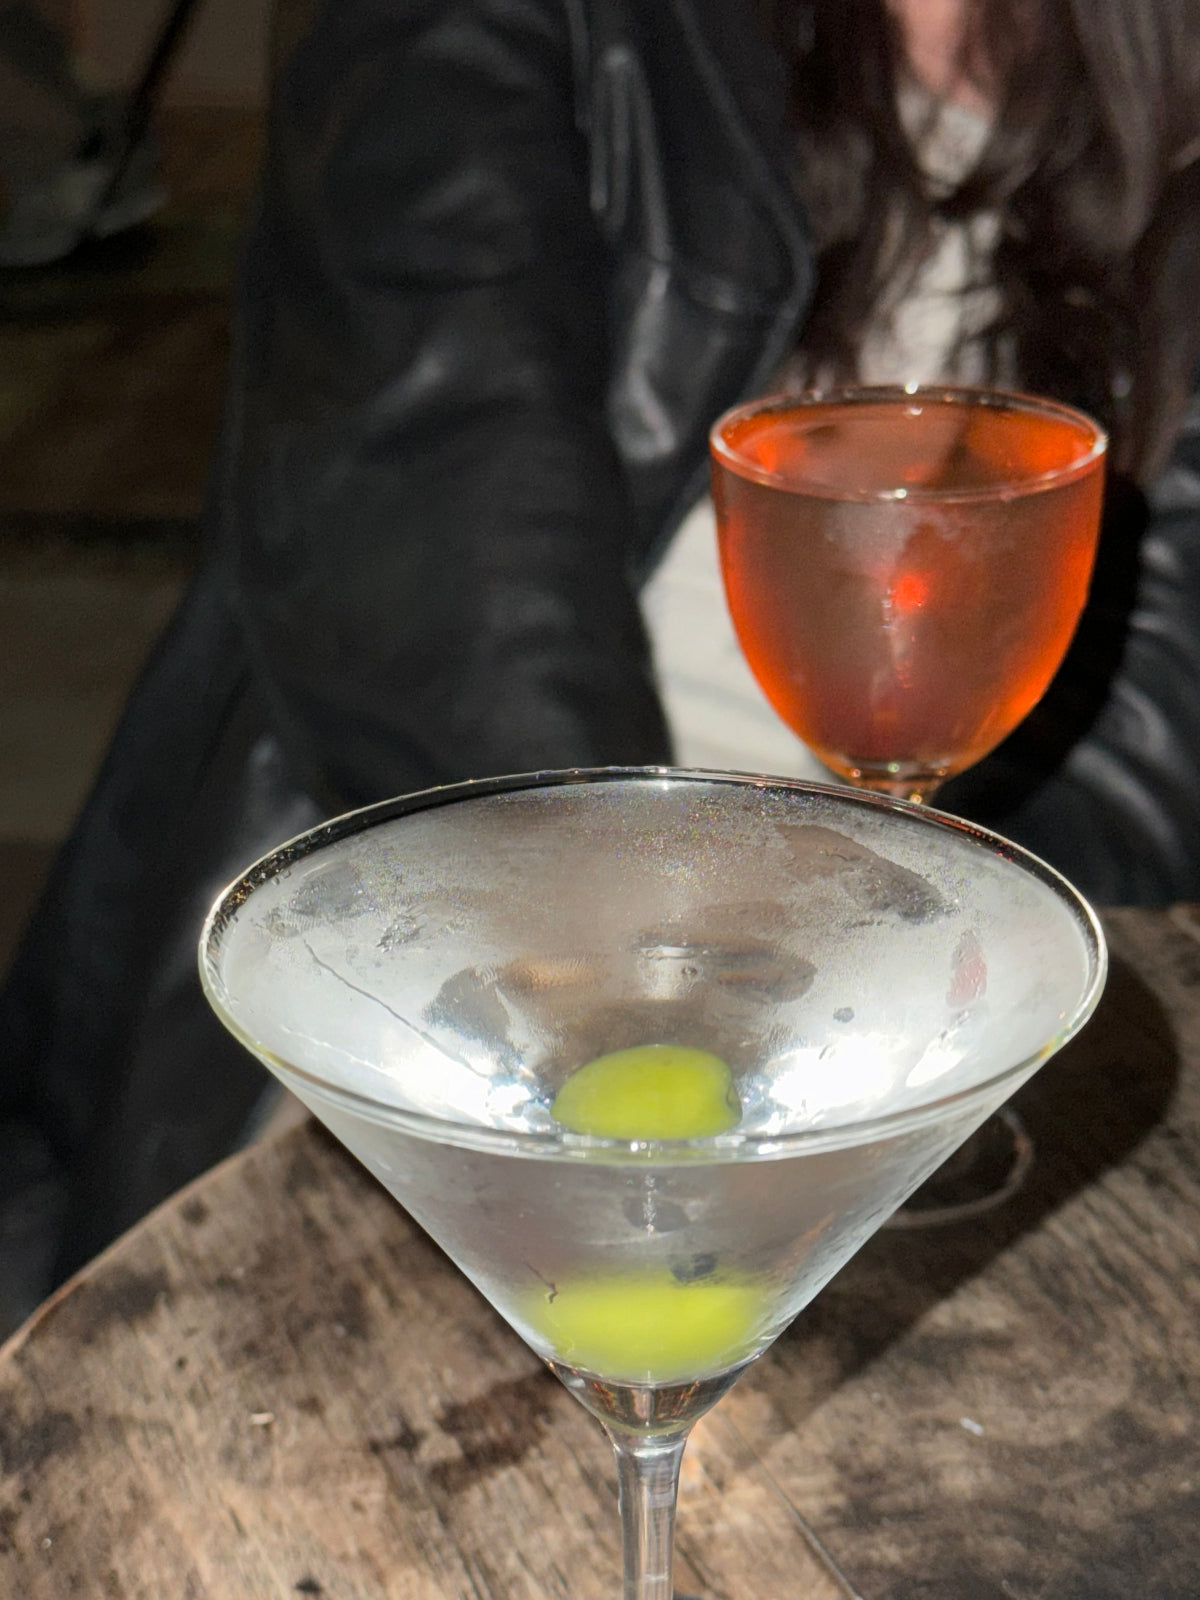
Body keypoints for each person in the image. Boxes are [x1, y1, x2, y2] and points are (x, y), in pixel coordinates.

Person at [1, 0, 1197, 1311]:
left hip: (896, 996)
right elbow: (449, 579)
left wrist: (906, 1028)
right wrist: (695, 1042)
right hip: (486, 960)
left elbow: (1157, 731)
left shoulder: (1155, 84)